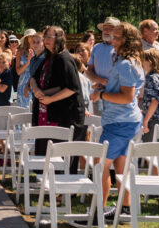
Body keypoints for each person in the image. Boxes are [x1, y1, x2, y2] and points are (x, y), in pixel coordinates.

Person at [89, 22, 145, 221]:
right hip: (125, 121)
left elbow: (127, 97)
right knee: (121, 166)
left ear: (128, 41)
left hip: (120, 122)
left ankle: (98, 213)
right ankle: (125, 208)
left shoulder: (125, 64)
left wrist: (101, 95)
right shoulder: (130, 62)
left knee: (100, 165)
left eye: (118, 37)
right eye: (113, 36)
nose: (113, 40)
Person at [28, 26, 84, 156]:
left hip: (64, 115)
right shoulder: (49, 57)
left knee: (59, 156)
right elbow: (33, 78)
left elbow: (72, 87)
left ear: (59, 39)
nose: (46, 39)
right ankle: (44, 175)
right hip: (47, 112)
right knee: (45, 151)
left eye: (50, 37)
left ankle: (54, 175)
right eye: (45, 36)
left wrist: (50, 99)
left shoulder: (64, 59)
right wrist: (35, 89)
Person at [86, 17, 120, 113]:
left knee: (113, 125)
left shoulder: (122, 49)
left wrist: (109, 84)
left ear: (117, 31)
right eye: (104, 28)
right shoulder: (97, 47)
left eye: (109, 28)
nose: (105, 31)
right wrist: (100, 81)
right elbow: (89, 70)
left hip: (115, 95)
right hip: (98, 94)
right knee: (97, 126)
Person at [140, 47, 159, 142]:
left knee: (146, 152)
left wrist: (145, 121)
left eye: (143, 59)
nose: (141, 62)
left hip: (152, 120)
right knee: (155, 151)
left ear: (150, 61)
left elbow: (154, 101)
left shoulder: (150, 78)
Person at [14, 29, 37, 108]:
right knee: (23, 111)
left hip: (36, 83)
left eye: (34, 36)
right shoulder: (20, 52)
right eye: (30, 36)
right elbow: (18, 72)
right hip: (23, 83)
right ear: (27, 38)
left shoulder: (39, 51)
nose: (32, 38)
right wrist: (28, 62)